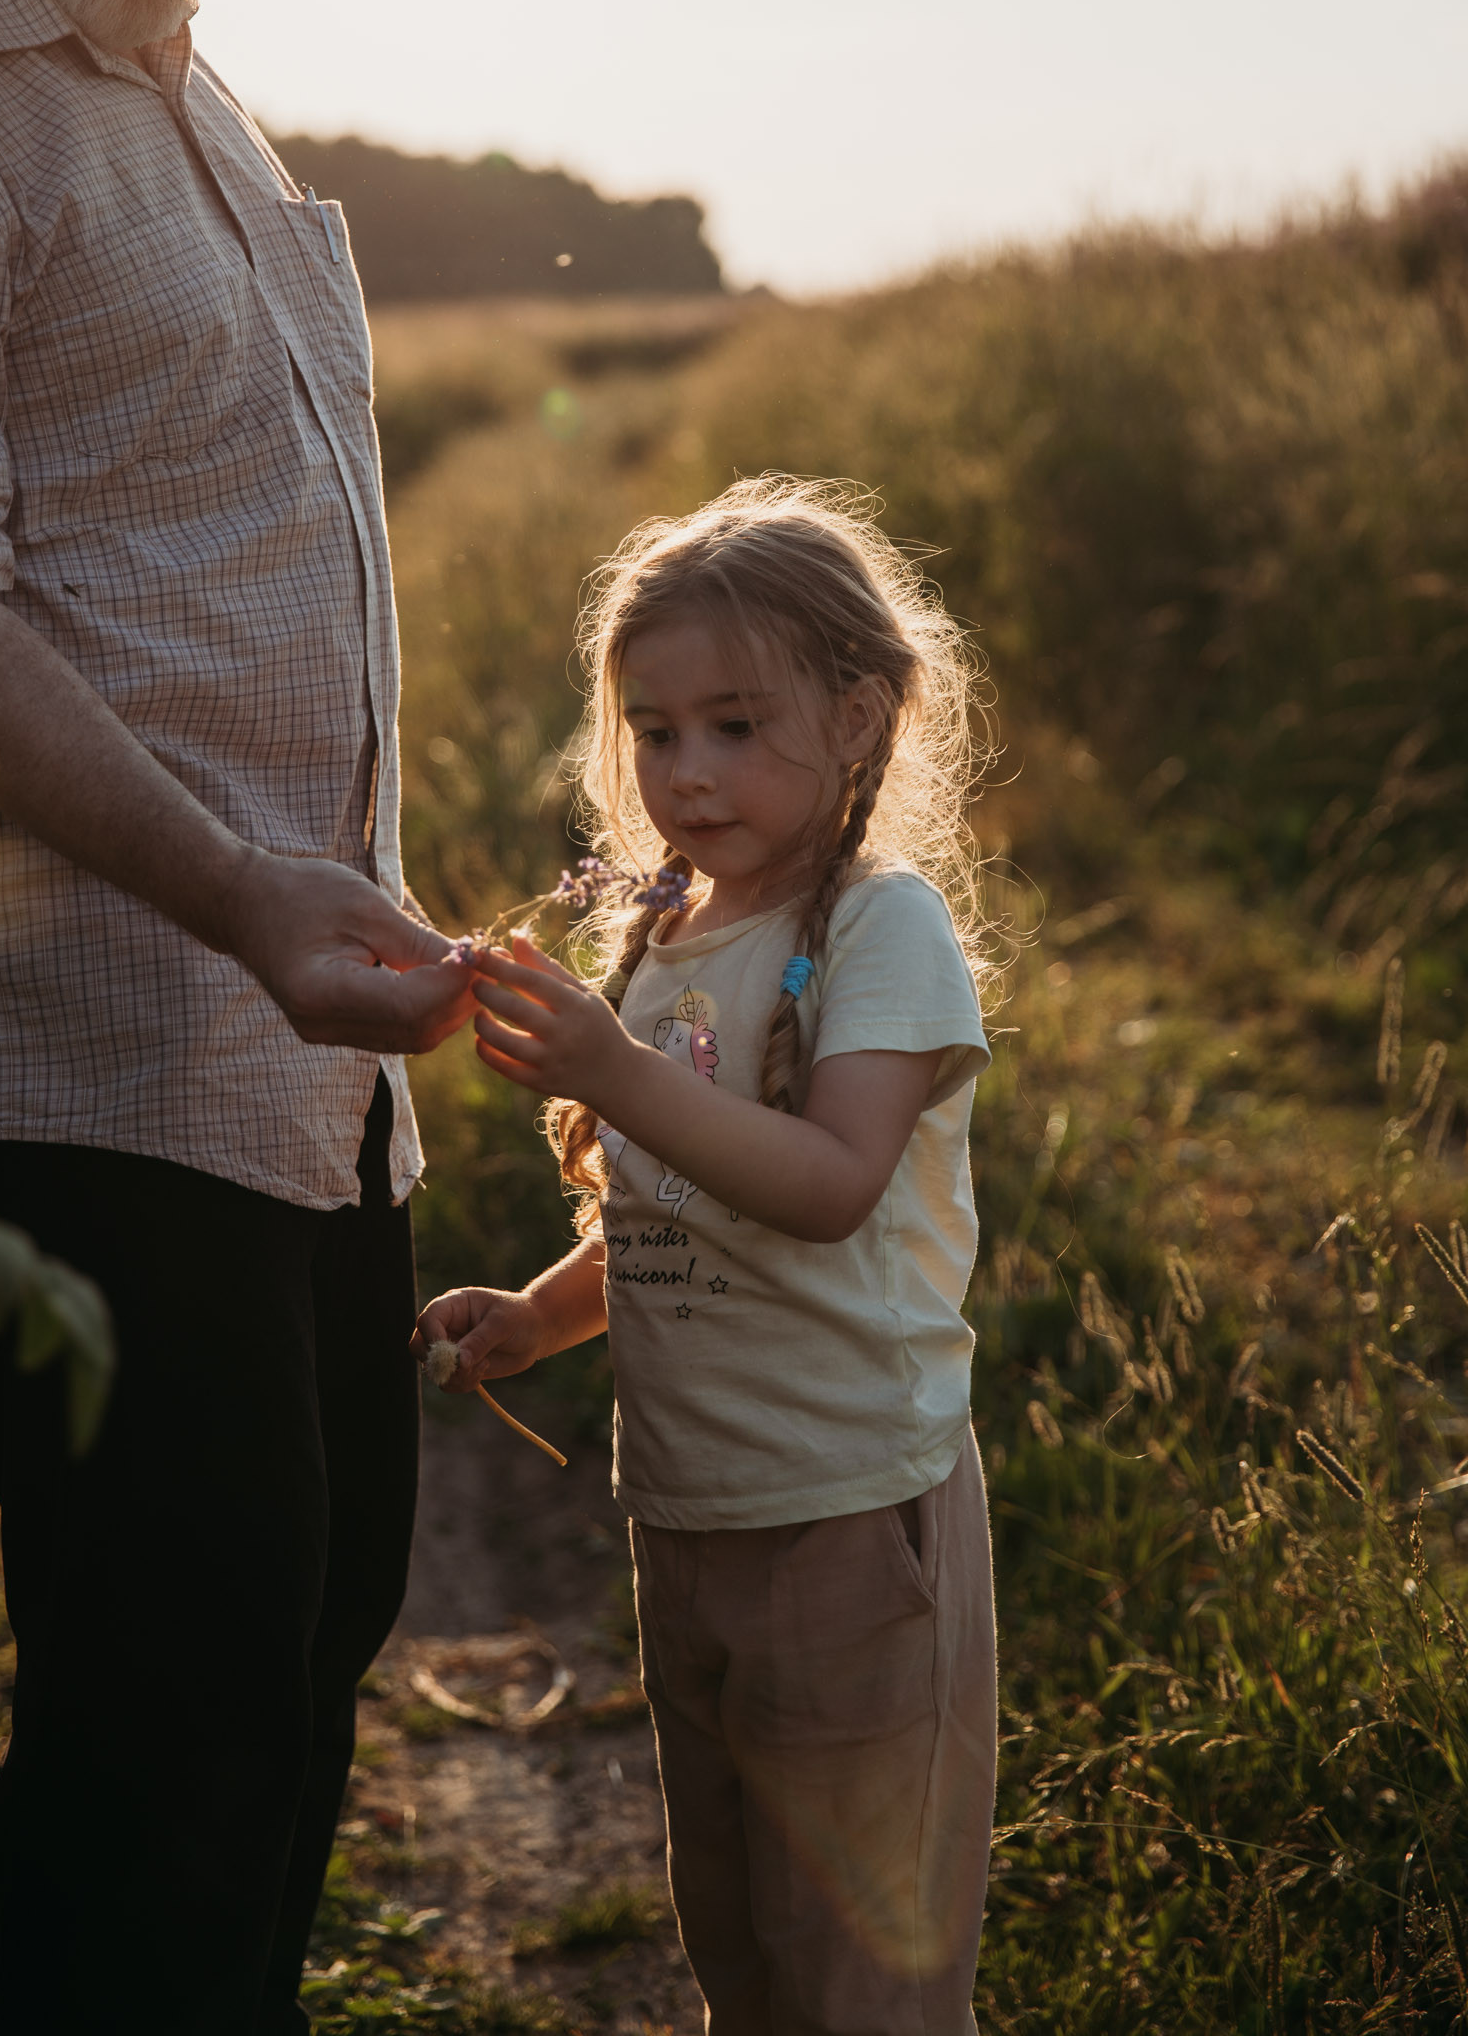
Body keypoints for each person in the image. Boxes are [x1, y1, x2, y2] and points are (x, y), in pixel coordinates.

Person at [0, 0, 474, 2028]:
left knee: (306, 1631)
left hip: (302, 1064)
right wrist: (238, 890)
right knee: (179, 1703)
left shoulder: (179, 80)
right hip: (74, 1047)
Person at [416, 477, 1001, 2035]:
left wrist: (615, 1072)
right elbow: (669, 1209)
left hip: (852, 1520)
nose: (688, 771)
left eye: (738, 725)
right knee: (738, 1942)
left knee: (861, 1973)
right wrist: (544, 1319)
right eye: (655, 730)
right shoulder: (670, 939)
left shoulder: (884, 931)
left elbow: (825, 1187)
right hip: (685, 1517)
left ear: (862, 716)